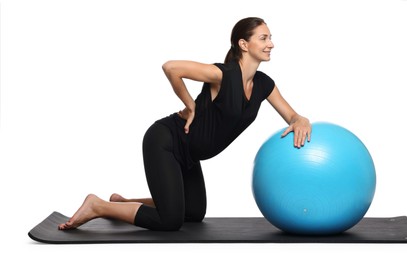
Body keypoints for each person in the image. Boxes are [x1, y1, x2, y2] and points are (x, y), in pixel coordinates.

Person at [58, 17, 311, 231]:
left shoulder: (264, 84)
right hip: (166, 141)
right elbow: (171, 67)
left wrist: (301, 120)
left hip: (190, 154)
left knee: (193, 213)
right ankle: (98, 206)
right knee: (171, 220)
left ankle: (123, 203)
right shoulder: (223, 74)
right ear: (243, 44)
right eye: (264, 38)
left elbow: (292, 116)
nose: (271, 44)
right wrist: (190, 104)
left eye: (270, 38)